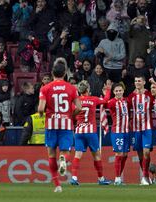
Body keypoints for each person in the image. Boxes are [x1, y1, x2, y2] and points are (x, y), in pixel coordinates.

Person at [37, 58, 82, 193]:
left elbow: (40, 108)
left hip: (51, 124)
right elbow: (79, 107)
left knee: (51, 154)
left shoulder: (45, 88)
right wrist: (71, 115)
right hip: (66, 124)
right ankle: (63, 159)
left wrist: (42, 114)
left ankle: (57, 185)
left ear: (52, 73)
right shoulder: (72, 88)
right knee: (66, 152)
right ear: (65, 73)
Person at [70, 80, 111, 186]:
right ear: (88, 89)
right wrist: (108, 90)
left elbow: (72, 114)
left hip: (79, 131)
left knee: (77, 154)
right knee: (97, 155)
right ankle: (101, 178)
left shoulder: (76, 101)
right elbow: (106, 100)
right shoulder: (93, 99)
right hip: (91, 132)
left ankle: (74, 177)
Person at [127, 75, 154, 186]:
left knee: (146, 152)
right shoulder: (131, 96)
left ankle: (145, 176)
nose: (137, 82)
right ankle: (146, 176)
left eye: (139, 81)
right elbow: (126, 107)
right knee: (140, 155)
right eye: (135, 81)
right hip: (136, 129)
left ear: (144, 82)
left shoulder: (149, 94)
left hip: (147, 128)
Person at [107, 83, 130, 185]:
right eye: (116, 91)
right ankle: (117, 178)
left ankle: (119, 177)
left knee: (125, 155)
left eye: (120, 90)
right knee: (119, 154)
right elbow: (105, 103)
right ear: (113, 92)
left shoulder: (126, 101)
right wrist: (106, 92)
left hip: (126, 132)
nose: (118, 92)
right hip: (117, 132)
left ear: (123, 90)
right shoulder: (112, 102)